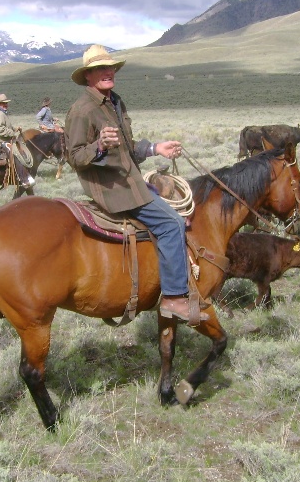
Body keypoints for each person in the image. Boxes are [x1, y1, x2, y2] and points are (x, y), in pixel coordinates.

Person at [64, 45, 206, 324]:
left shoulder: (115, 101)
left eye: (110, 67)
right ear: (88, 76)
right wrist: (99, 146)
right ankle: (174, 298)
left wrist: (155, 148)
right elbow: (75, 157)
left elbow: (128, 148)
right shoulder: (82, 110)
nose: (108, 72)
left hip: (130, 180)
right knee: (171, 223)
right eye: (99, 69)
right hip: (114, 189)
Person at [0, 93, 34, 188]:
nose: (5, 105)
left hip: (3, 138)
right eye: (3, 103)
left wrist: (15, 128)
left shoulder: (2, 113)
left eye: (6, 103)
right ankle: (24, 179)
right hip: (0, 139)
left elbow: (6, 126)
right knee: (15, 153)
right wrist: (12, 133)